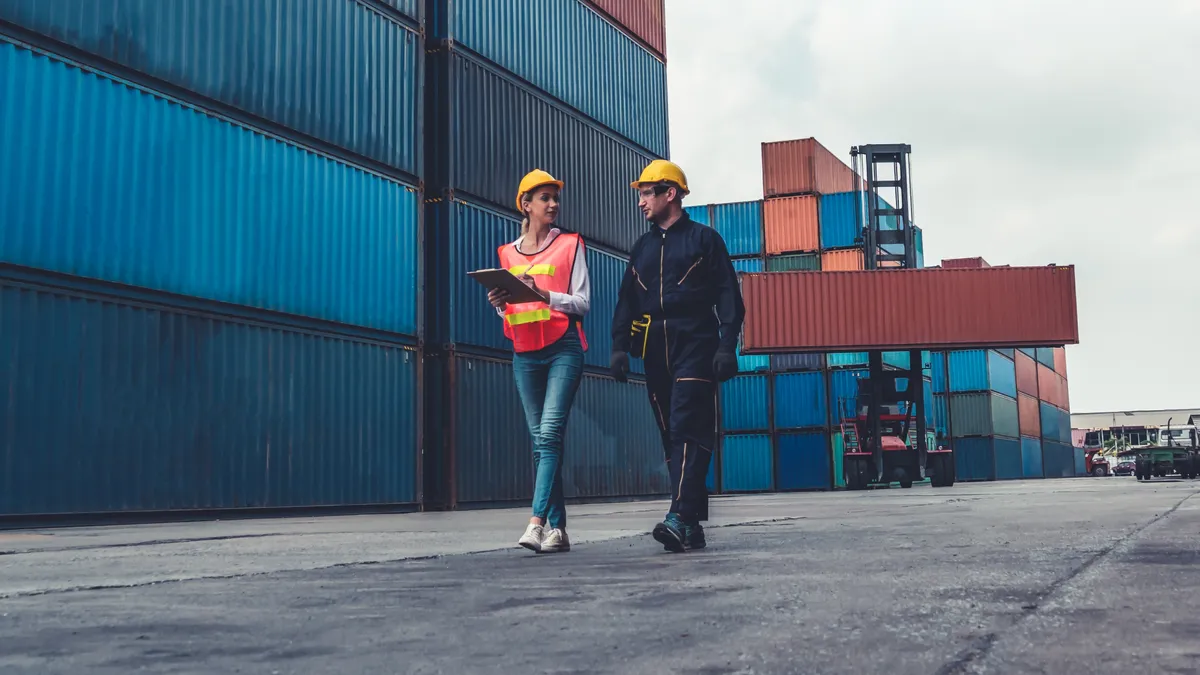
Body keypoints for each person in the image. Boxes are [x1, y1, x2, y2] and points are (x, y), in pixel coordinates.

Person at [610, 159, 745, 553]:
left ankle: (678, 516)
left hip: (696, 342)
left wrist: (726, 346)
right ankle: (692, 524)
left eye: (646, 192)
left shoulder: (705, 240)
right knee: (672, 435)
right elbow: (626, 301)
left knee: (689, 426)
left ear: (671, 193)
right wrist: (619, 346)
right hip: (655, 349)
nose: (640, 202)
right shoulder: (642, 247)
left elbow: (728, 295)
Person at [489, 169, 591, 554]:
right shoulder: (506, 254)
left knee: (549, 435)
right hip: (524, 352)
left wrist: (545, 294)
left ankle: (536, 523)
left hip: (564, 345)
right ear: (525, 205)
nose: (553, 204)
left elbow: (582, 302)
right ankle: (560, 529)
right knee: (542, 444)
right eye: (545, 198)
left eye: (555, 198)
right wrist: (501, 305)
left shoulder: (571, 244)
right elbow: (512, 312)